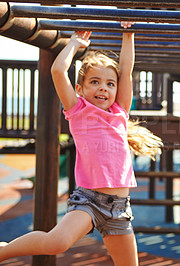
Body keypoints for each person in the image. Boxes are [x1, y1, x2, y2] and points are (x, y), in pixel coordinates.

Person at [0, 22, 162, 265]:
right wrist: (74, 44)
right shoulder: (78, 110)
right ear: (80, 88)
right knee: (57, 243)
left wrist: (128, 34)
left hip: (119, 208)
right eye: (94, 82)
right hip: (89, 201)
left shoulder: (120, 112)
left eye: (110, 83)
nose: (103, 88)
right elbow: (58, 72)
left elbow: (126, 70)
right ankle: (3, 251)